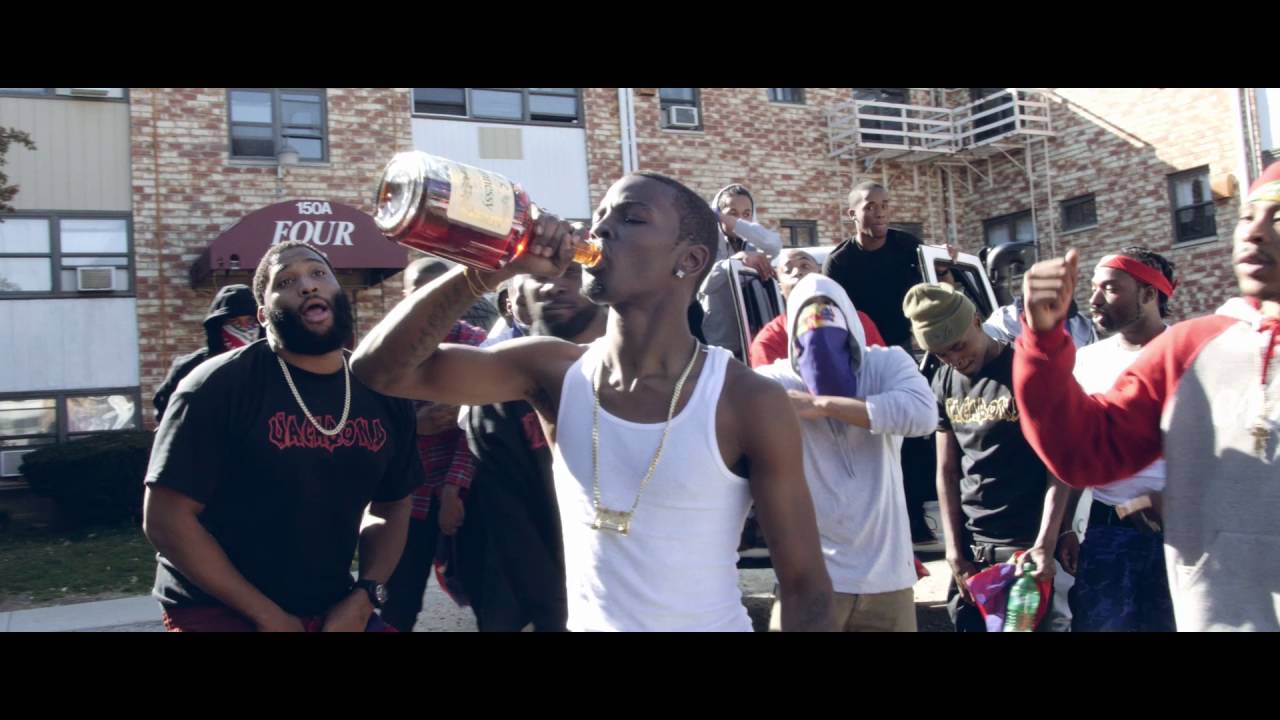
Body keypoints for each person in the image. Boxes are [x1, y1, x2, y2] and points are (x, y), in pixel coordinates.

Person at [352, 172, 835, 631]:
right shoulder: (553, 372)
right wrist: (488, 270)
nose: (600, 229)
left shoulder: (746, 400)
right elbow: (380, 370)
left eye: (631, 218)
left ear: (689, 260)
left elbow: (805, 586)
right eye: (600, 216)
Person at [1012, 162, 1280, 632]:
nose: (1254, 232)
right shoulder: (1195, 347)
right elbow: (1084, 450)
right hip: (1183, 586)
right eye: (1245, 216)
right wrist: (1042, 341)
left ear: (1150, 294)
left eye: (1277, 218)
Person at [142, 240, 421, 631]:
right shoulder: (217, 386)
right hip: (218, 608)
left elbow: (393, 506)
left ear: (339, 293)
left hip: (331, 605)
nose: (308, 285)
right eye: (286, 281)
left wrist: (364, 597)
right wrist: (268, 616)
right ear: (263, 314)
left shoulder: (382, 388)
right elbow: (166, 519)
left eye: (319, 273)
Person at [757, 274, 936, 631]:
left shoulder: (886, 364)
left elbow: (924, 415)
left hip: (887, 580)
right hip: (809, 583)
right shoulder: (773, 381)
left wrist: (822, 405)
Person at [903, 282, 1072, 632]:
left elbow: (1061, 466)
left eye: (958, 346)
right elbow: (947, 471)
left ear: (977, 321)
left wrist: (1046, 543)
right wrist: (954, 551)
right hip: (973, 551)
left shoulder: (1029, 371)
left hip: (1026, 553)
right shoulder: (944, 380)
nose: (955, 359)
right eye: (941, 354)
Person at [460, 263, 607, 631]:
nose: (555, 286)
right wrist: (561, 615)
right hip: (543, 596)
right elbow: (512, 525)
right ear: (517, 301)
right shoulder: (496, 394)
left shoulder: (649, 379)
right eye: (540, 276)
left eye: (573, 273)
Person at [1057, 247, 1177, 632]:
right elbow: (1076, 451)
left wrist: (1167, 500)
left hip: (1182, 534)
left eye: (1110, 288)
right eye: (1093, 287)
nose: (1093, 299)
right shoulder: (1086, 360)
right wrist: (1064, 527)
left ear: (1149, 293)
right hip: (1107, 531)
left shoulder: (1190, 353)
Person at [380, 257, 487, 632]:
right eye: (419, 291)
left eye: (439, 290)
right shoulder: (388, 348)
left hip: (467, 492)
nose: (430, 299)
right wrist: (415, 426)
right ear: (405, 296)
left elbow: (479, 426)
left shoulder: (476, 345)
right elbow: (369, 420)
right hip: (406, 494)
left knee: (486, 591)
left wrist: (453, 488)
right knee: (399, 596)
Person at [749, 248, 885, 368]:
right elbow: (768, 388)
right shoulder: (769, 341)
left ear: (821, 274)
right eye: (788, 270)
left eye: (805, 265)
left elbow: (883, 370)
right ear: (780, 287)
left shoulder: (859, 322)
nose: (797, 272)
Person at [695, 184, 782, 358]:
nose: (740, 220)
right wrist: (735, 261)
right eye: (732, 213)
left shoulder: (755, 246)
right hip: (718, 345)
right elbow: (703, 285)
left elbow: (774, 244)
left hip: (753, 342)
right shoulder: (705, 243)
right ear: (718, 213)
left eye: (746, 214)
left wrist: (733, 222)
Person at [153, 284, 262, 422]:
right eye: (234, 321)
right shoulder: (190, 368)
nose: (244, 328)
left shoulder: (273, 368)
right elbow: (167, 416)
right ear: (218, 326)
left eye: (250, 320)